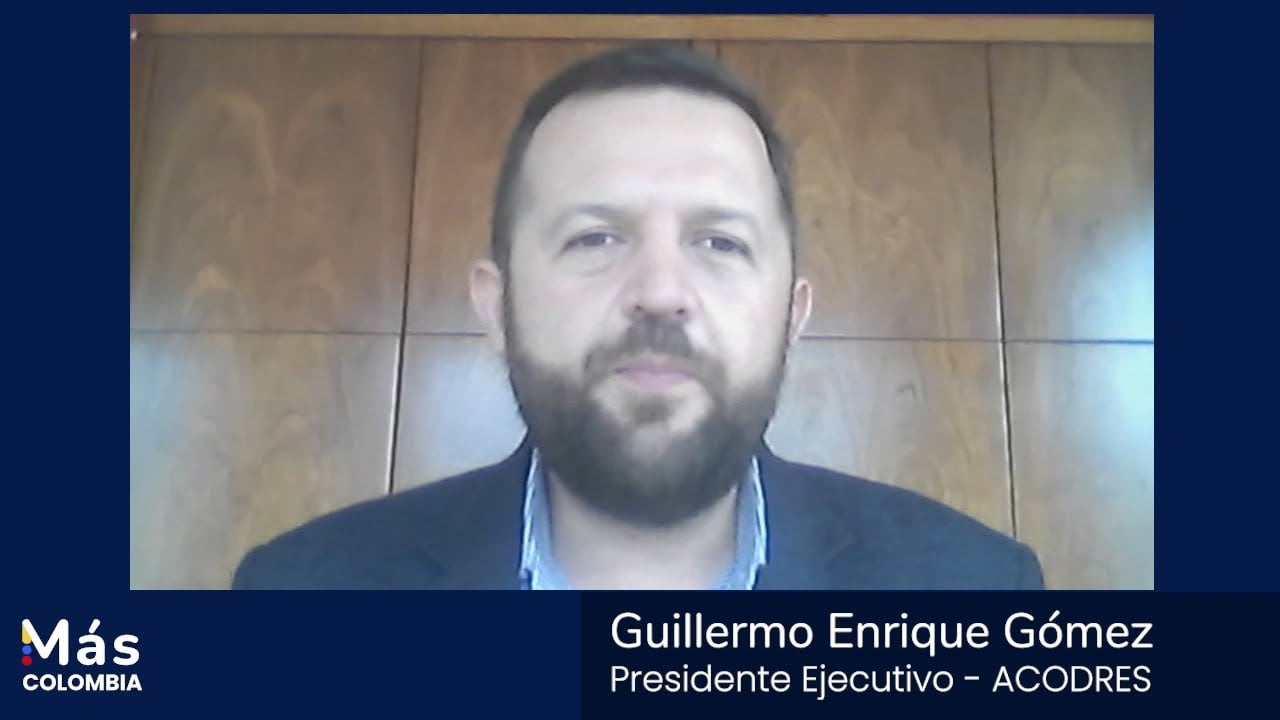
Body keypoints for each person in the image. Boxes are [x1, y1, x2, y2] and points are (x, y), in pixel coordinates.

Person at [232, 43, 1045, 591]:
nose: (660, 290)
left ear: (792, 314)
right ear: (496, 307)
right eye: (595, 237)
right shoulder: (301, 593)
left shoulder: (976, 592)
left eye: (720, 242)